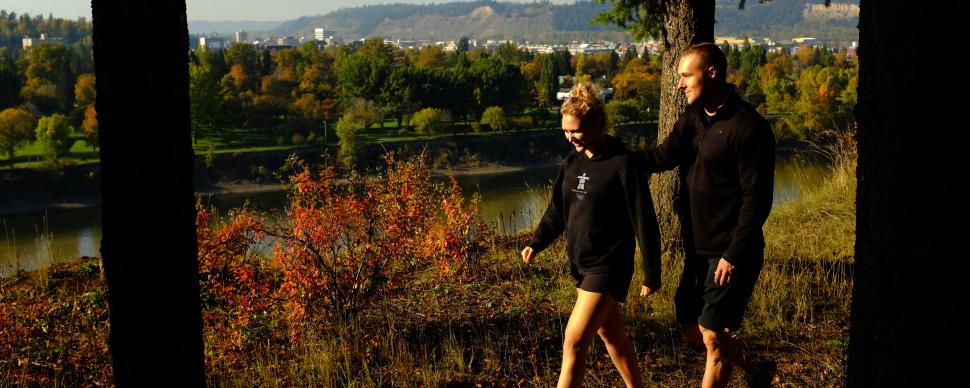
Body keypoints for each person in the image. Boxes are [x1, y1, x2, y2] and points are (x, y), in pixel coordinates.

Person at [640, 42, 775, 387]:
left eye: (687, 76)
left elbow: (757, 201)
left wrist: (733, 255)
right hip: (696, 249)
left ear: (711, 73)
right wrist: (609, 154)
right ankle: (756, 368)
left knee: (712, 335)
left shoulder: (749, 128)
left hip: (730, 252)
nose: (680, 84)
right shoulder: (693, 119)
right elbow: (659, 158)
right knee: (693, 329)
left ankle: (739, 367)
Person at [521, 83, 661, 388]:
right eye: (565, 131)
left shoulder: (623, 164)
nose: (570, 137)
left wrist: (652, 273)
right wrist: (537, 242)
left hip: (608, 266)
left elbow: (644, 221)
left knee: (574, 342)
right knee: (612, 335)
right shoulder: (572, 162)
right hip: (581, 264)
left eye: (576, 131)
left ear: (597, 125)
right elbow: (558, 210)